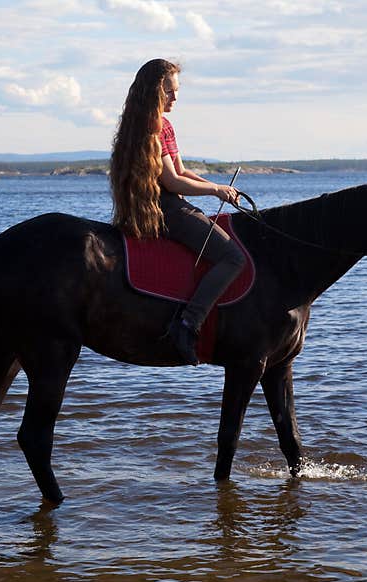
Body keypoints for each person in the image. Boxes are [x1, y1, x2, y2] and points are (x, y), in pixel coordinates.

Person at [110, 59, 246, 365]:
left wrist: (219, 187)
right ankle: (188, 323)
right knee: (232, 257)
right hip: (165, 208)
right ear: (156, 91)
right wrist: (215, 191)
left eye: (176, 91)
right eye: (170, 91)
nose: (175, 98)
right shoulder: (151, 126)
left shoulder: (161, 123)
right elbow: (171, 181)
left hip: (170, 201)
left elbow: (182, 171)